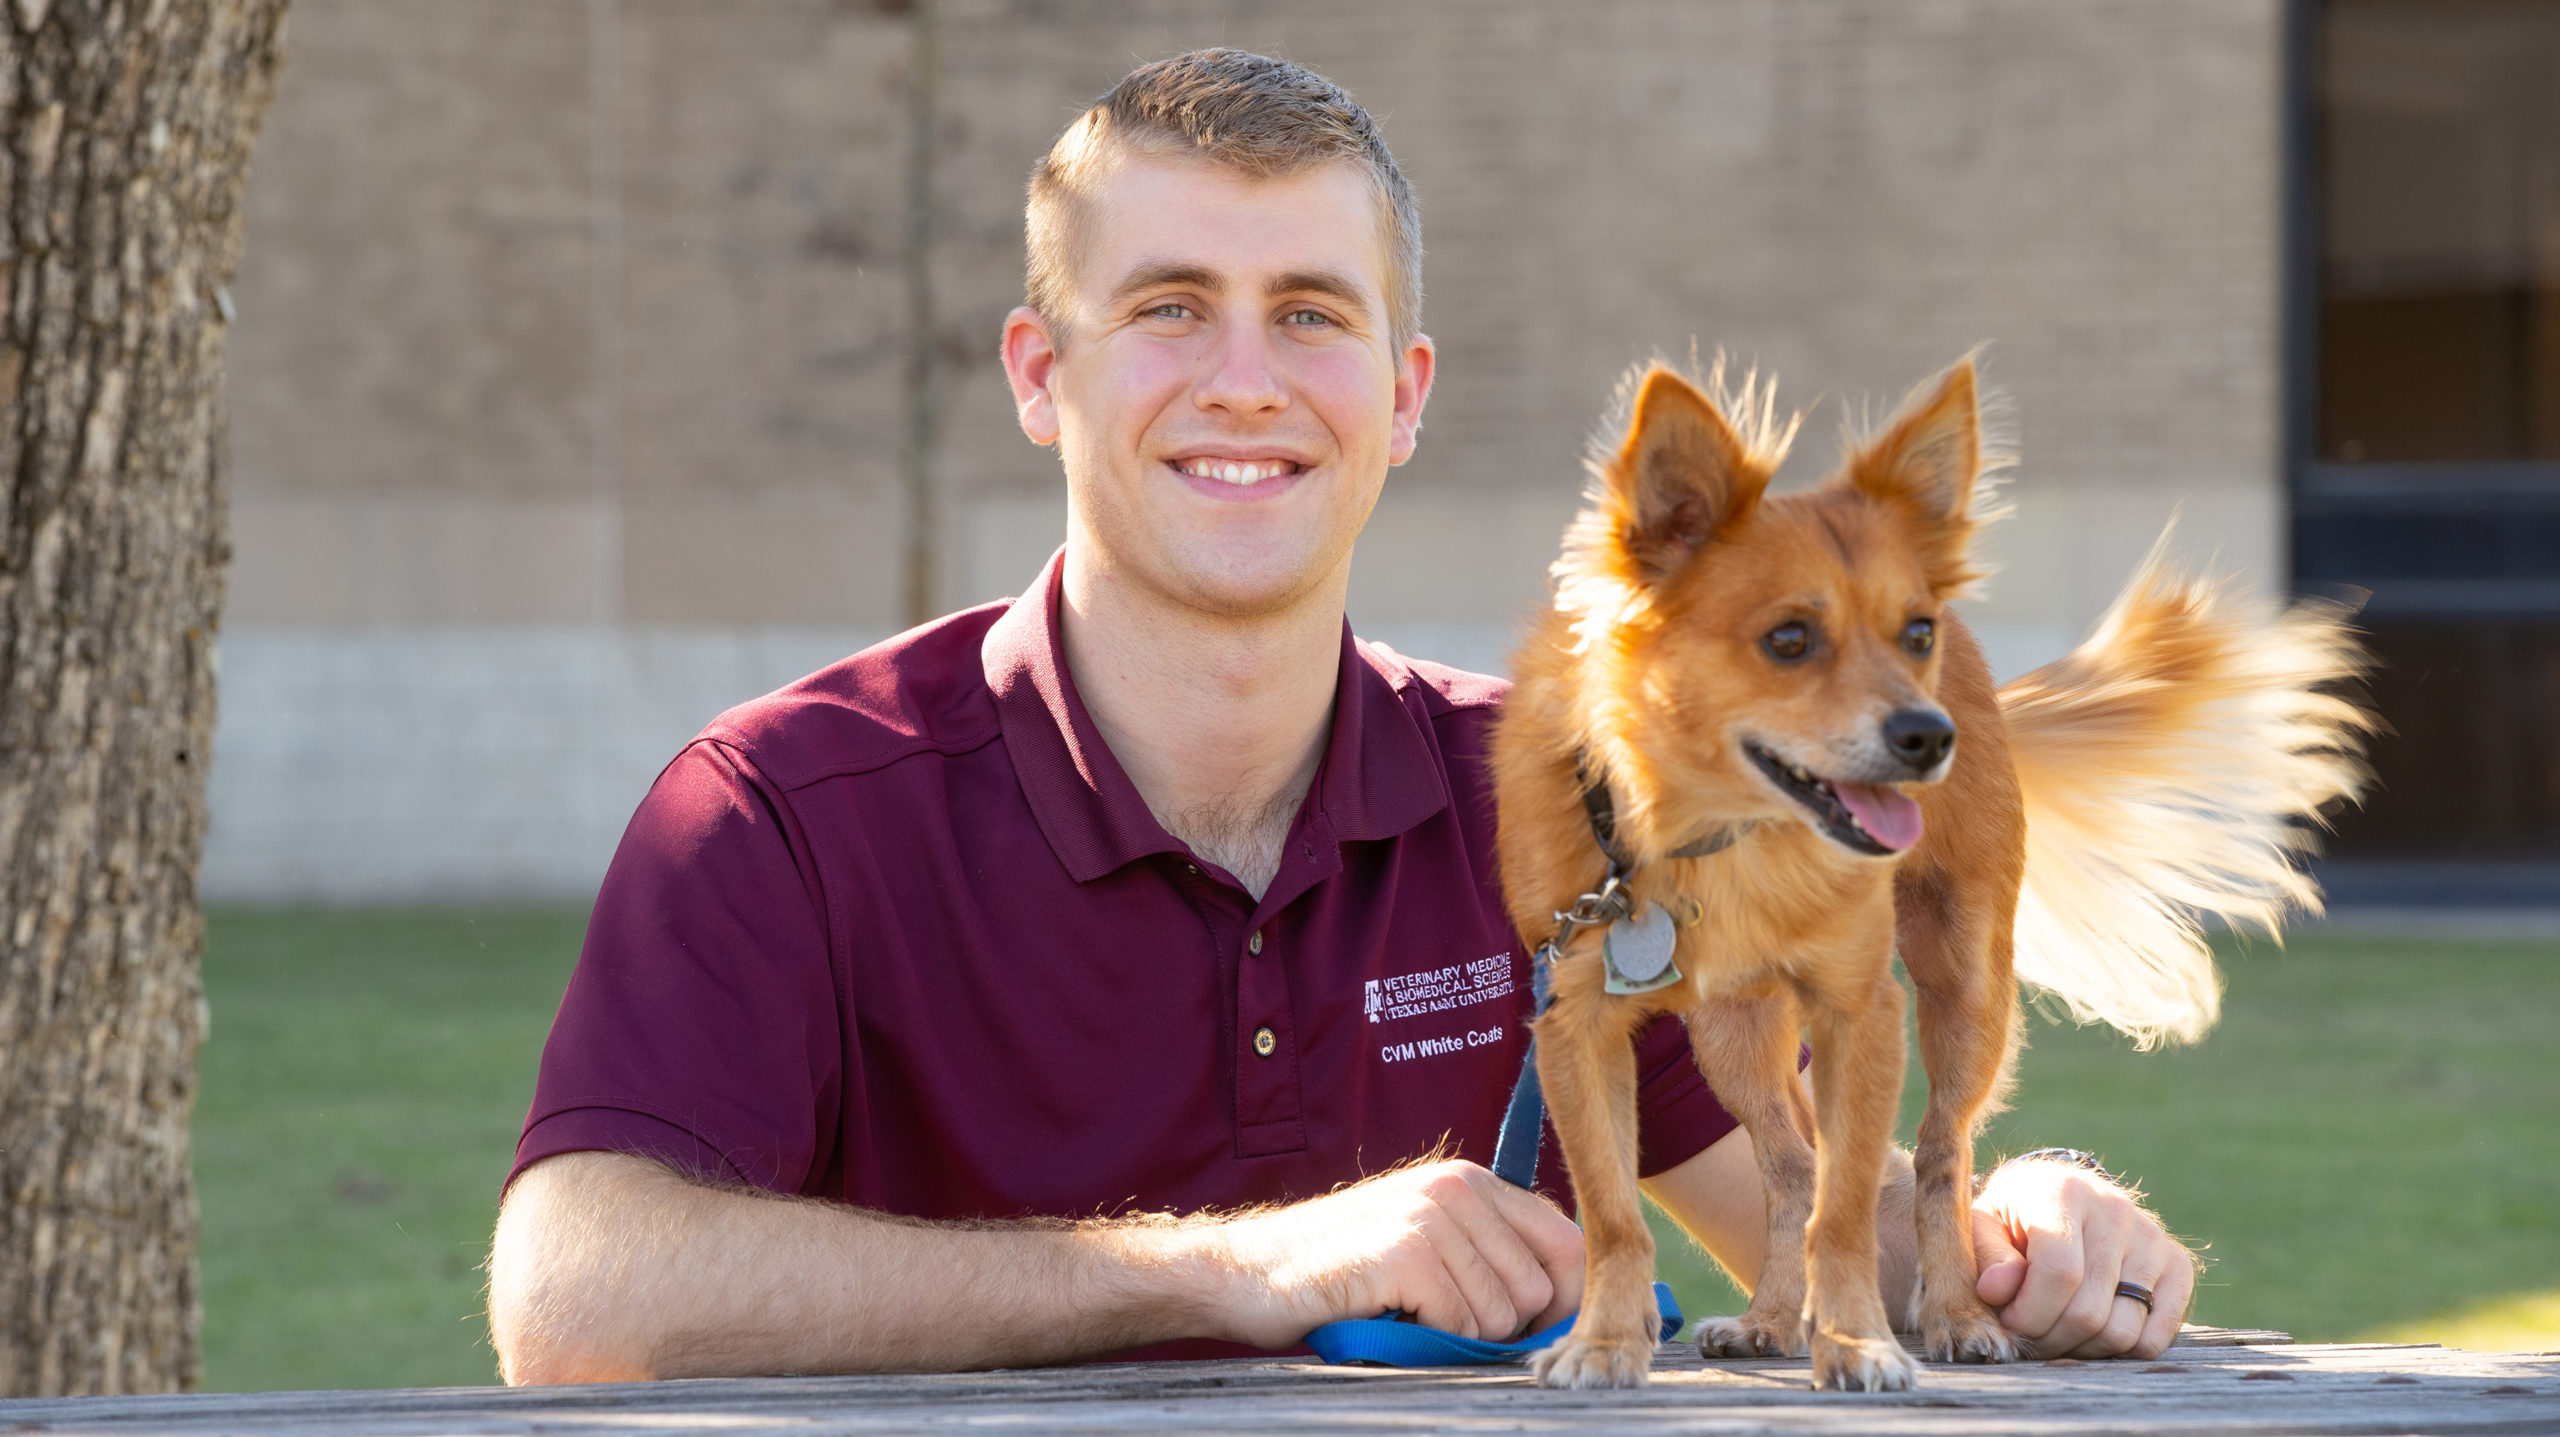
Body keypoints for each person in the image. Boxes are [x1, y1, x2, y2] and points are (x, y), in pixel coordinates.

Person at [486, 49, 2196, 1385]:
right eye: (1167, 308)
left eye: (1310, 314)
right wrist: (1238, 1266)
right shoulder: (784, 808)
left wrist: (2027, 1229)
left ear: (1403, 396)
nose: (1246, 378)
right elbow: (577, 1294)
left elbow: (1830, 1214)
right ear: (1035, 374)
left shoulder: (1552, 798)